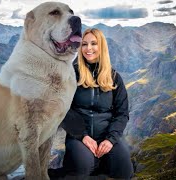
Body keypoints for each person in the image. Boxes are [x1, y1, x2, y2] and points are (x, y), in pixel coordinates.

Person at [53, 28, 133, 179]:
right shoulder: (72, 74)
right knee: (82, 167)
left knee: (124, 170)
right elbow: (62, 108)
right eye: (84, 44)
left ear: (101, 46)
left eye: (93, 43)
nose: (88, 48)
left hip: (107, 135)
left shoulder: (114, 77)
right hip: (79, 136)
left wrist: (110, 139)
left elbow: (122, 113)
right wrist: (82, 135)